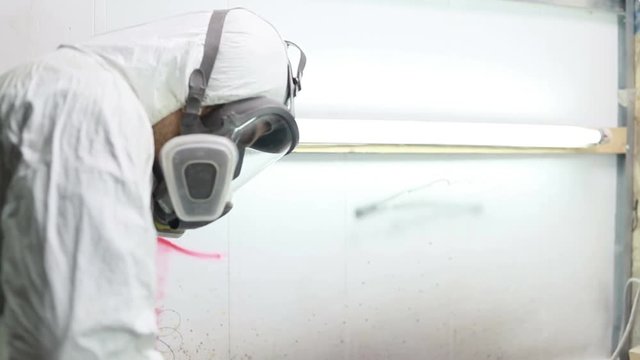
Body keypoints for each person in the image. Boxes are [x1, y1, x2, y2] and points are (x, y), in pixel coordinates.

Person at [0, 8, 304, 359]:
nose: (222, 166)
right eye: (232, 137)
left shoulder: (81, 95)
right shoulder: (93, 110)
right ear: (193, 95)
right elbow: (88, 345)